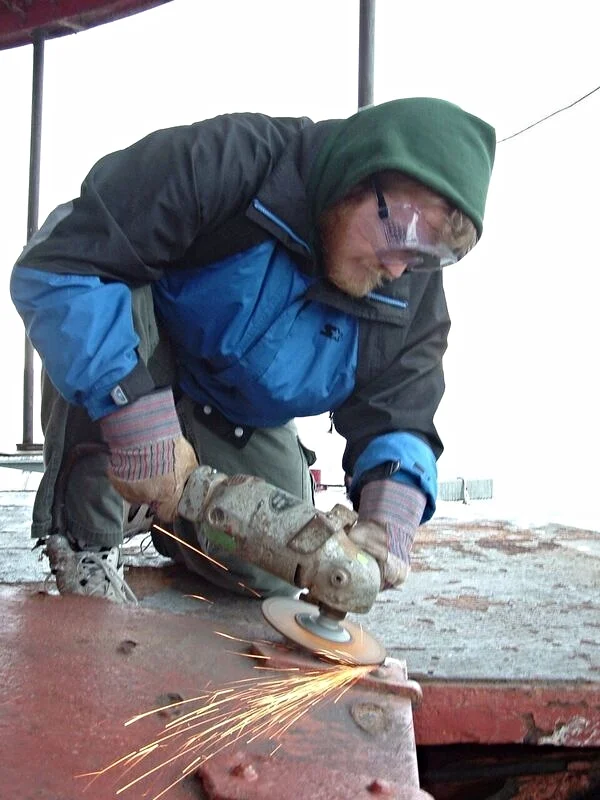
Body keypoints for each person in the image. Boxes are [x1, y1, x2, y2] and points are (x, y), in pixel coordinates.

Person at [10, 98, 495, 604]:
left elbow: (402, 412)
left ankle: (171, 520)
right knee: (109, 303)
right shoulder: (233, 164)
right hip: (143, 377)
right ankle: (90, 535)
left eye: (426, 255)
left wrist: (390, 517)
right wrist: (140, 423)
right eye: (402, 233)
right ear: (360, 172)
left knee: (282, 570)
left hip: (233, 412)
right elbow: (63, 263)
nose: (399, 269)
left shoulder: (406, 292)